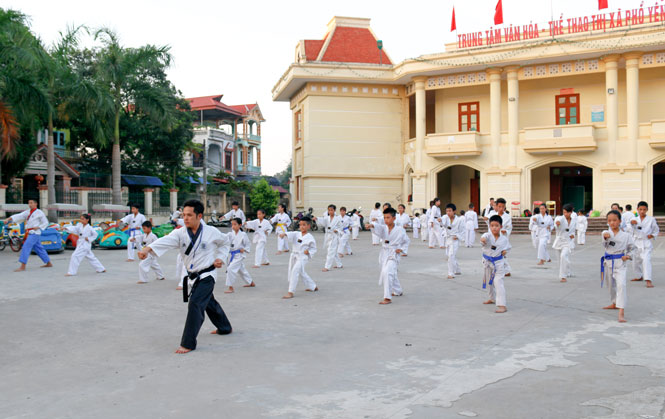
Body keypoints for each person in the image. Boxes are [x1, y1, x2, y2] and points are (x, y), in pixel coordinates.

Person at [138, 199, 232, 354]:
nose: (185, 218)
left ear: (199, 216)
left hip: (208, 274)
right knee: (209, 302)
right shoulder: (180, 233)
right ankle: (224, 327)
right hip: (192, 276)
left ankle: (188, 343)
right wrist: (147, 249)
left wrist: (220, 258)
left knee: (195, 303)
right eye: (184, 215)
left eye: (189, 215)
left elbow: (225, 243)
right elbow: (165, 241)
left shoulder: (211, 232)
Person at [366, 207, 409, 305]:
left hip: (394, 253)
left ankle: (387, 297)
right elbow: (377, 227)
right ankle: (398, 290)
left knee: (387, 272)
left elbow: (406, 241)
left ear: (394, 218)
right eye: (384, 218)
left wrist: (401, 249)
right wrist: (371, 225)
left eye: (388, 217)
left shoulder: (400, 230)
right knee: (390, 272)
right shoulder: (383, 228)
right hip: (384, 253)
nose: (386, 220)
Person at [601, 210, 635, 323]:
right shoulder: (606, 233)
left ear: (620, 221)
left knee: (621, 285)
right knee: (610, 285)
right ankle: (615, 302)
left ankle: (621, 311)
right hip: (608, 262)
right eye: (609, 221)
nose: (612, 223)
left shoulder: (626, 236)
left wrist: (628, 256)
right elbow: (604, 243)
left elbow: (632, 248)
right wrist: (605, 237)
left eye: (615, 220)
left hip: (620, 263)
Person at [4, 199, 52, 272]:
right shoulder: (27, 212)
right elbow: (19, 216)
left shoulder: (40, 212)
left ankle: (23, 266)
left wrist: (38, 227)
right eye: (29, 203)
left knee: (26, 247)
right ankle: (48, 263)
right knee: (39, 249)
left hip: (35, 233)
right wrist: (8, 219)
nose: (30, 204)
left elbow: (45, 222)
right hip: (30, 232)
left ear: (36, 204)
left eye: (31, 203)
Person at [280, 216, 318, 299]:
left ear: (309, 226)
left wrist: (309, 251)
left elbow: (314, 248)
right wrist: (284, 234)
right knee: (301, 272)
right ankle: (313, 286)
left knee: (295, 271)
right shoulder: (296, 234)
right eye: (300, 225)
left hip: (303, 257)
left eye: (304, 225)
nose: (302, 227)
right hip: (294, 255)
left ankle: (291, 292)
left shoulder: (310, 237)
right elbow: (290, 234)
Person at [481, 214, 510, 313]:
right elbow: (483, 239)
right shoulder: (487, 236)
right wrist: (483, 240)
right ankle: (491, 298)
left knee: (498, 282)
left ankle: (502, 305)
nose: (494, 228)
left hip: (498, 263)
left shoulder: (504, 239)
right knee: (489, 281)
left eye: (496, 226)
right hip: (487, 262)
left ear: (501, 227)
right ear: (489, 226)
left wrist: (505, 251)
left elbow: (508, 247)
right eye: (492, 225)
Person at [629, 201, 659, 288]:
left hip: (646, 242)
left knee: (646, 261)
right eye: (640, 209)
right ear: (637, 209)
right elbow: (629, 229)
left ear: (647, 210)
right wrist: (632, 224)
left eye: (644, 209)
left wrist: (652, 235)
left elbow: (656, 229)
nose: (642, 211)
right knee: (635, 261)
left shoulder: (651, 219)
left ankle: (648, 280)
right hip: (635, 242)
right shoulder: (633, 219)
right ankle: (639, 276)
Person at [224, 218, 254, 293]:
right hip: (233, 255)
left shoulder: (243, 234)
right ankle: (251, 282)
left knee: (230, 269)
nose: (233, 226)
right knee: (241, 270)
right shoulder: (230, 234)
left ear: (240, 225)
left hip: (239, 255)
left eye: (235, 224)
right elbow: (223, 237)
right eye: (232, 225)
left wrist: (245, 249)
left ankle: (230, 287)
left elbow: (248, 244)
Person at [316, 204, 343, 271]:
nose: (330, 211)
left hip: (334, 236)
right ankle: (339, 264)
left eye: (331, 210)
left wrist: (337, 230)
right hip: (328, 236)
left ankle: (327, 266)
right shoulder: (326, 218)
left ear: (334, 210)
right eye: (329, 210)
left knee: (330, 252)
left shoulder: (338, 219)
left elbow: (341, 227)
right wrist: (317, 219)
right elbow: (322, 222)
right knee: (333, 251)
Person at [553, 204, 575, 283]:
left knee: (563, 256)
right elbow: (557, 223)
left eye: (567, 212)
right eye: (564, 212)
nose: (565, 214)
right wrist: (557, 223)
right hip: (559, 241)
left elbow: (572, 230)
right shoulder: (560, 218)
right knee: (560, 260)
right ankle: (567, 271)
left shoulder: (573, 220)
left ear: (571, 212)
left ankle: (563, 276)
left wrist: (573, 235)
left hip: (567, 242)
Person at [442, 203, 465, 279]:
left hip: (455, 239)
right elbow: (442, 224)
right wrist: (439, 221)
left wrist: (458, 236)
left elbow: (462, 230)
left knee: (451, 255)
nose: (448, 212)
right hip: (448, 238)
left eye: (450, 211)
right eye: (447, 211)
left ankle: (450, 273)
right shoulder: (445, 218)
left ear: (454, 211)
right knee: (450, 255)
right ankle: (457, 269)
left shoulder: (459, 220)